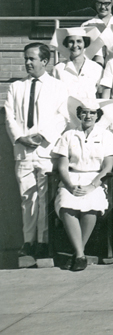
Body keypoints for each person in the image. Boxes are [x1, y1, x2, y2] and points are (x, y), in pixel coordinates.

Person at [5, 43, 70, 259]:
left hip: (45, 150)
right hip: (23, 151)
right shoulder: (17, 87)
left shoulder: (57, 87)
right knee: (27, 198)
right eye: (26, 58)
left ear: (45, 61)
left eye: (32, 59)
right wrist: (20, 137)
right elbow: (9, 116)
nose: (27, 62)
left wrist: (43, 135)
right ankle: (28, 241)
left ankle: (43, 241)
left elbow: (63, 116)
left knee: (44, 198)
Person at [51, 97, 113, 271]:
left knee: (92, 206)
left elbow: (107, 167)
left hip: (95, 181)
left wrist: (92, 186)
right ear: (79, 114)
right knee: (66, 205)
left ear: (98, 116)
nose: (88, 116)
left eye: (92, 113)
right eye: (84, 112)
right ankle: (80, 254)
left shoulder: (106, 136)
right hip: (71, 179)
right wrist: (70, 185)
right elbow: (63, 166)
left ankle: (77, 254)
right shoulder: (68, 135)